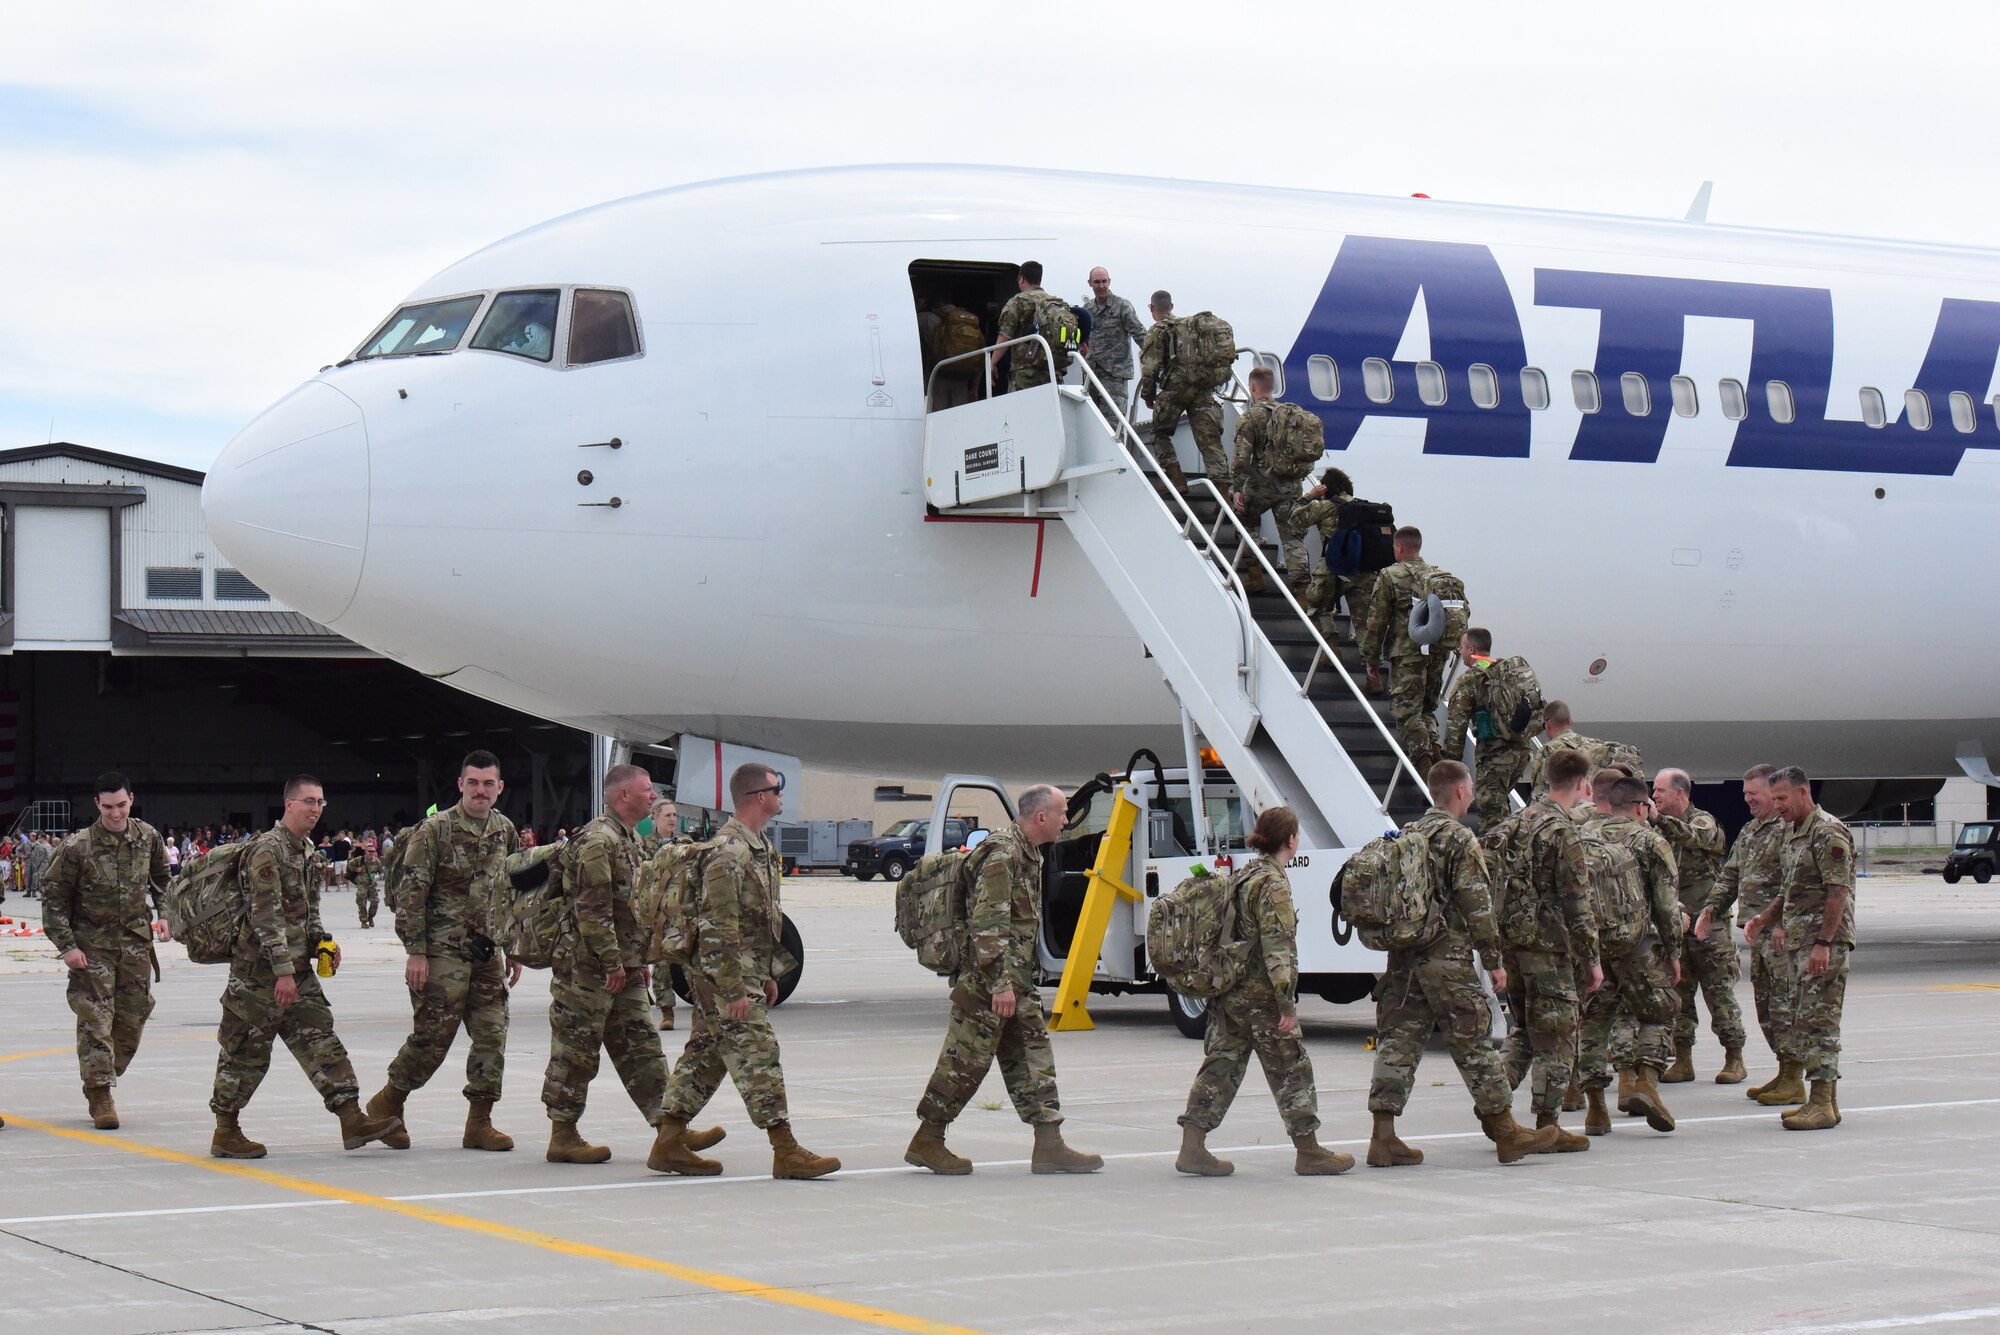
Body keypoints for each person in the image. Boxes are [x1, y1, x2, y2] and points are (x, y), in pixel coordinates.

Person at [1363, 763, 1559, 1168]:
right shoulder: (1458, 838)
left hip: (1403, 959)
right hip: (1446, 958)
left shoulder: (1409, 833)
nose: (1471, 794)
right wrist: (1494, 960)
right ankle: (1506, 1131)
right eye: (1469, 788)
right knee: (1474, 1042)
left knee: (1398, 1041)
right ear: (1459, 790)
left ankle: (1383, 1136)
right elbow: (1476, 904)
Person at [904, 783, 1101, 1176]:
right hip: (988, 980)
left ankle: (1049, 1144)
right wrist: (999, 984)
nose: (1067, 820)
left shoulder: (1029, 854)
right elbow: (987, 924)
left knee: (1032, 1057)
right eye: (1063, 812)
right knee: (964, 1063)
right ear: (1041, 817)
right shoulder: (1003, 855)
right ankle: (928, 1139)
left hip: (1014, 977)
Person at [654, 763, 838, 1179]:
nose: (782, 795)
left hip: (746, 972)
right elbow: (718, 929)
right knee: (759, 1053)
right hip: (725, 977)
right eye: (778, 788)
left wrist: (771, 973)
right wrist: (735, 990)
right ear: (760, 796)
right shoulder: (728, 853)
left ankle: (668, 1140)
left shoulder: (758, 848)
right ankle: (785, 1149)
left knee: (706, 1055)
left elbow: (761, 921)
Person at [209, 775, 402, 1158]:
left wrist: (321, 942)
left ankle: (351, 1117)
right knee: (245, 1053)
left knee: (322, 1040)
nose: (316, 809)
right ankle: (226, 1131)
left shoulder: (306, 851)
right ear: (289, 804)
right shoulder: (267, 850)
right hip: (258, 975)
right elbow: (266, 916)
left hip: (295, 970)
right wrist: (282, 971)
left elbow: (307, 911)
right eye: (309, 801)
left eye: (321, 802)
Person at [1176, 806, 1353, 1177]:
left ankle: (1192, 1146)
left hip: (1230, 994)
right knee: (1292, 1068)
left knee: (1220, 1067)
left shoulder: (1243, 875)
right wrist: (1286, 1001)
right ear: (1290, 840)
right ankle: (1309, 1151)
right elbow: (1278, 946)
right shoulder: (1272, 883)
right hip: (1261, 997)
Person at [368, 751, 522, 1152]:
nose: (480, 791)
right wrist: (416, 952)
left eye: (489, 784)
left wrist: (516, 946)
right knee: (433, 1039)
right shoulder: (434, 830)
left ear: (499, 788)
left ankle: (480, 1122)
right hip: (441, 953)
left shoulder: (505, 831)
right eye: (473, 783)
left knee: (492, 1034)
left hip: (487, 953)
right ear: (460, 785)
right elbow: (411, 894)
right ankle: (388, 1101)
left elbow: (514, 893)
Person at [542, 764, 681, 1164]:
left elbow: (628, 909)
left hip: (621, 965)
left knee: (641, 1044)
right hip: (588, 967)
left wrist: (635, 961)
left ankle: (670, 1128)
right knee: (576, 1049)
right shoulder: (599, 840)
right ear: (624, 796)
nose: (653, 796)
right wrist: (612, 963)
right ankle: (563, 1134)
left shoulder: (627, 839)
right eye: (647, 790)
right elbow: (593, 910)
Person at [42, 772, 172, 1130]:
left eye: (122, 805)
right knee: (95, 1020)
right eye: (108, 806)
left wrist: (165, 915)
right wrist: (67, 946)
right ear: (96, 804)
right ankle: (100, 1092)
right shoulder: (77, 848)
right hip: (92, 947)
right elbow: (53, 898)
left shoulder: (148, 837)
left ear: (132, 798)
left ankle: (103, 1073)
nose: (116, 813)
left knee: (132, 1019)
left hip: (134, 944)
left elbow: (163, 881)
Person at [1489, 748, 1602, 1149]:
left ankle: (1494, 1107)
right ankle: (1547, 1125)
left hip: (1512, 945)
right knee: (1556, 1035)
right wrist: (1592, 960)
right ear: (1582, 784)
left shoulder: (1516, 821)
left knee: (1523, 1030)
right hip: (1549, 949)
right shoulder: (1562, 831)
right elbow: (1577, 900)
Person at [1742, 767, 1854, 1131]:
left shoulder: (1827, 832)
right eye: (1773, 800)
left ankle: (1821, 1101)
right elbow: (1788, 890)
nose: (1777, 807)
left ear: (1803, 793)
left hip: (1823, 943)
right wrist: (1764, 919)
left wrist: (1823, 943)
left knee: (1818, 1023)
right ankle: (1826, 1103)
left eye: (1782, 799)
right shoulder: (1792, 832)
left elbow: (1837, 894)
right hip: (1799, 941)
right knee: (1804, 1022)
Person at [1577, 777, 1683, 1136]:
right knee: (1661, 1010)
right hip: (1636, 947)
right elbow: (1667, 906)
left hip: (1592, 947)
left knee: (1594, 1023)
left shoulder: (1580, 835)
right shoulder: (1651, 840)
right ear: (1641, 807)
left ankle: (1595, 1111)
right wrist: (1674, 951)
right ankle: (1646, 1083)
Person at [1695, 765, 1789, 1096]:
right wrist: (1710, 909)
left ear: (1771, 792)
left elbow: (1797, 883)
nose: (1747, 799)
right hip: (1755, 933)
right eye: (1745, 793)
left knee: (1784, 1007)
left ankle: (1793, 1076)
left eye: (1754, 793)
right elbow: (1730, 876)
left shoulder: (1787, 830)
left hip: (1779, 934)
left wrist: (1781, 924)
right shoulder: (1750, 831)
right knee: (1766, 1010)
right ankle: (1784, 1070)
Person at [1650, 768, 1745, 1084]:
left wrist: (1660, 820)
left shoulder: (1702, 822)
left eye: (1660, 791)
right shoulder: (1659, 833)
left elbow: (1699, 838)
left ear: (1680, 793)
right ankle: (1684, 1059)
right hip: (1676, 926)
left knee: (1718, 993)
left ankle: (1734, 1057)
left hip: (1709, 926)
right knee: (1679, 994)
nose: (1654, 796)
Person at [1362, 526, 1447, 776]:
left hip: (1408, 653)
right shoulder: (1438, 575)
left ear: (1399, 547)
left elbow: (1376, 621)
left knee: (1408, 712)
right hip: (1438, 652)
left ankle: (1426, 772)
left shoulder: (1391, 575)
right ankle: (1439, 762)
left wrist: (1371, 659)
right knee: (1426, 710)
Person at [1441, 628, 1537, 829]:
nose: (1461, 651)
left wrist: (1451, 765)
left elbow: (1456, 727)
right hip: (1521, 751)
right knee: (1500, 805)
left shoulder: (1470, 680)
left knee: (1492, 817)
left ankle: (1497, 857)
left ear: (1471, 648)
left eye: (1462, 647)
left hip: (1495, 755)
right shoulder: (1503, 670)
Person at [1228, 366, 1311, 596]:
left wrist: (1237, 490)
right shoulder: (1290, 414)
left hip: (1261, 485)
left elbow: (1241, 459)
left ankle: (1255, 576)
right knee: (1292, 537)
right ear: (1272, 387)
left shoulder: (1251, 417)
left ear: (1252, 387)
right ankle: (1303, 592)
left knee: (1244, 520)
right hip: (1292, 485)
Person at [1136, 290, 1227, 493]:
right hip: (1202, 389)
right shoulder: (1190, 328)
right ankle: (1224, 497)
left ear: (1152, 308)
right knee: (1210, 442)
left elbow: (1150, 368)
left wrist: (1148, 396)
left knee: (1160, 433)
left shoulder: (1158, 330)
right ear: (1172, 307)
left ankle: (1176, 479)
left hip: (1175, 389)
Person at [989, 261, 1073, 393]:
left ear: (1021, 279)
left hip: (1025, 374)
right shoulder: (1056, 303)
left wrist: (992, 362)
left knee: (1021, 411)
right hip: (1052, 371)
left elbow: (1005, 335)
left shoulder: (1017, 301)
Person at [1527, 701, 1644, 796]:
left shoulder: (1547, 751)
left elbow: (1539, 793)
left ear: (1547, 726)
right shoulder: (1595, 744)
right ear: (1571, 722)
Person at [1082, 267, 1147, 421]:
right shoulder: (1088, 309)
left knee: (1113, 425)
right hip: (1092, 375)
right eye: (1097, 282)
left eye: (1104, 281)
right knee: (1092, 423)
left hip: (1115, 376)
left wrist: (1158, 362)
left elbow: (1141, 335)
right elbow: (1082, 339)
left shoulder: (1122, 306)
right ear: (1090, 283)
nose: (1101, 286)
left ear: (1109, 281)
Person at [645, 796, 683, 1032]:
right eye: (667, 815)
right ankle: (666, 1011)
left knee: (690, 964)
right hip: (657, 914)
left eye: (674, 815)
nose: (672, 819)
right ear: (655, 818)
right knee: (660, 965)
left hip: (681, 912)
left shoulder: (684, 844)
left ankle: (700, 1012)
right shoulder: (644, 846)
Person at [351, 836, 382, 928]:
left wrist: (376, 876)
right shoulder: (360, 860)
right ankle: (364, 921)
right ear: (366, 852)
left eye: (373, 851)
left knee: (375, 902)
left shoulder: (377, 862)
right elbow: (350, 864)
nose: (372, 853)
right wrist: (357, 869)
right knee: (361, 903)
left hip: (372, 884)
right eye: (370, 851)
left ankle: (370, 917)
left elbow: (380, 872)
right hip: (362, 884)